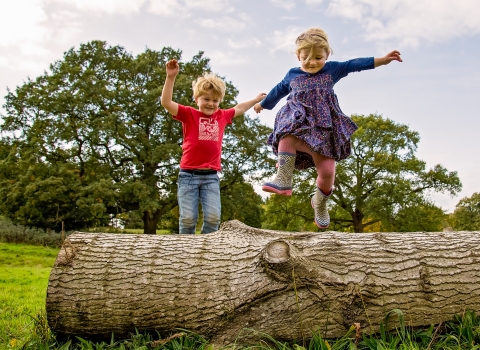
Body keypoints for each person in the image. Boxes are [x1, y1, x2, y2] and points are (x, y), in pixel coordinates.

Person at [254, 27, 402, 229]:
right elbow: (277, 91)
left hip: (324, 130)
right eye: (306, 57)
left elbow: (353, 65)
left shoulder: (332, 70)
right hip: (299, 121)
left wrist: (381, 60)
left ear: (327, 55)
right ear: (298, 55)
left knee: (327, 172)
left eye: (318, 57)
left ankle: (320, 202)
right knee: (286, 133)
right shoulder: (293, 75)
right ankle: (284, 177)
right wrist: (262, 105)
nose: (312, 62)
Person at [161, 59, 266, 234]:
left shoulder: (222, 116)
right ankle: (186, 251)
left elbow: (239, 108)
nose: (211, 103)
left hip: (211, 177)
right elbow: (166, 102)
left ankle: (206, 250)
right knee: (188, 218)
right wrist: (170, 77)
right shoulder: (188, 114)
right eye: (206, 99)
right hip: (188, 175)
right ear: (196, 99)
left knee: (213, 218)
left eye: (215, 100)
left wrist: (255, 99)